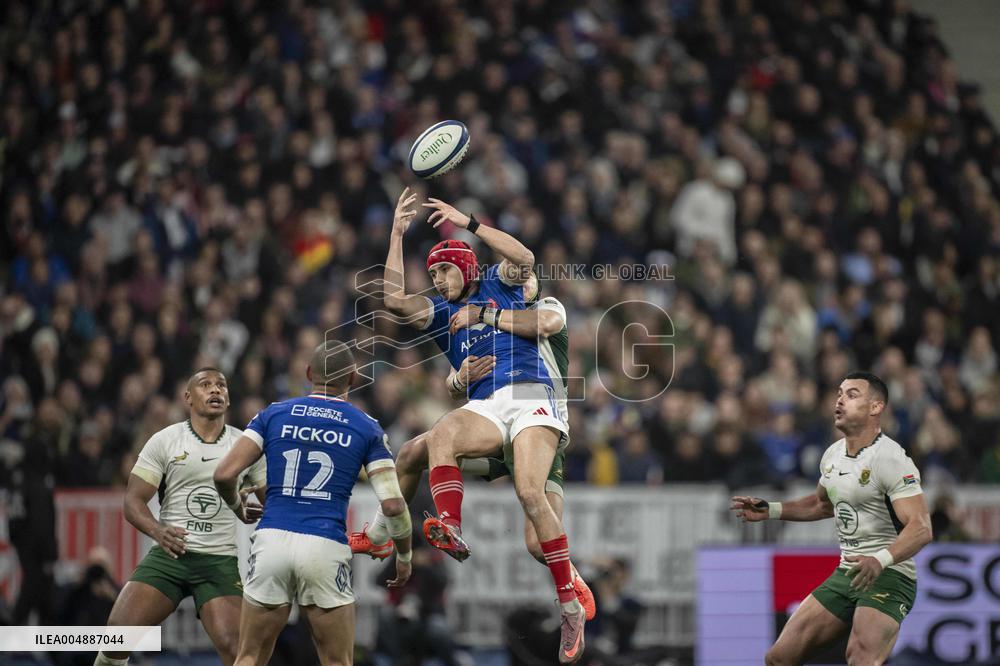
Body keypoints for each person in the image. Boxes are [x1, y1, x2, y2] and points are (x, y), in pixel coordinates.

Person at [382, 189, 585, 663]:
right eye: (432, 272)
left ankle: (570, 605)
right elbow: (393, 300)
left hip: (534, 395)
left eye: (444, 269)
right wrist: (396, 234)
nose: (437, 278)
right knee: (440, 433)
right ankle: (448, 524)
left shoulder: (502, 282)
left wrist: (468, 223)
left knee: (531, 499)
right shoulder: (441, 313)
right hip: (489, 405)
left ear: (467, 266)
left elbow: (526, 256)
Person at [351, 293, 595, 620]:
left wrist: (484, 314)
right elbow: (461, 386)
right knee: (410, 453)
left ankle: (571, 581)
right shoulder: (483, 324)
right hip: (498, 426)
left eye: (524, 276)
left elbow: (545, 322)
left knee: (536, 543)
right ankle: (385, 535)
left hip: (538, 424)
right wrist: (458, 379)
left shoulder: (542, 309)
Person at [213, 340, 413, 666]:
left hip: (271, 540)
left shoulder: (273, 415)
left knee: (249, 656)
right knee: (336, 660)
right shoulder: (366, 427)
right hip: (324, 545)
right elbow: (393, 505)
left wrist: (237, 505)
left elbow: (223, 474)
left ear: (308, 373)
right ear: (353, 377)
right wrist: (404, 555)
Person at [731, 372, 933, 666]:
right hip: (847, 573)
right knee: (778, 658)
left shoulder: (891, 459)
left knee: (860, 659)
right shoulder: (833, 455)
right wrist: (772, 510)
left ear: (875, 407)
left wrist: (880, 560)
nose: (840, 399)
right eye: (839, 393)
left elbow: (922, 528)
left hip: (890, 575)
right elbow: (822, 504)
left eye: (852, 395)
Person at [94, 368, 266, 666]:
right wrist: (158, 531)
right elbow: (132, 502)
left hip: (218, 561)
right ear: (188, 397)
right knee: (116, 639)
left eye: (221, 386)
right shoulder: (165, 440)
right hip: (169, 556)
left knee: (237, 649)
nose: (215, 390)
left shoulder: (245, 446)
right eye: (205, 385)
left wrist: (265, 508)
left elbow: (272, 499)